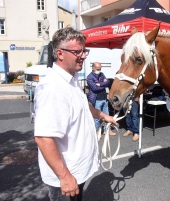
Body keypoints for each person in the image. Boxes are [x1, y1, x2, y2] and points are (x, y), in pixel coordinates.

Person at [34, 27, 117, 201]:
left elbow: (84, 105)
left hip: (76, 171)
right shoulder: (52, 88)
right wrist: (65, 177)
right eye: (77, 52)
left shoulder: (71, 78)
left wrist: (103, 115)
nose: (84, 56)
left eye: (84, 51)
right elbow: (43, 138)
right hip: (65, 177)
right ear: (60, 53)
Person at [87, 62, 116, 136]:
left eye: (100, 69)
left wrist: (100, 84)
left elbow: (108, 83)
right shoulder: (89, 77)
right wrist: (103, 84)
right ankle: (96, 132)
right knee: (97, 117)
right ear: (93, 68)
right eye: (97, 69)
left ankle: (107, 130)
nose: (99, 70)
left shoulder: (101, 74)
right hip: (96, 100)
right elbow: (94, 88)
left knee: (106, 115)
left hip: (104, 98)